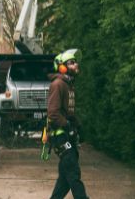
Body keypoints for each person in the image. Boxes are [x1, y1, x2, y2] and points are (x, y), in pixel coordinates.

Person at [48, 49, 89, 199]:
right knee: (73, 174)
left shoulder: (69, 85)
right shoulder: (58, 84)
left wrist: (78, 127)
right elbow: (53, 114)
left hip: (67, 135)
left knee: (65, 181)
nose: (76, 64)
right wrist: (67, 127)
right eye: (71, 62)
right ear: (62, 67)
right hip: (60, 136)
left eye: (75, 61)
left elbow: (69, 113)